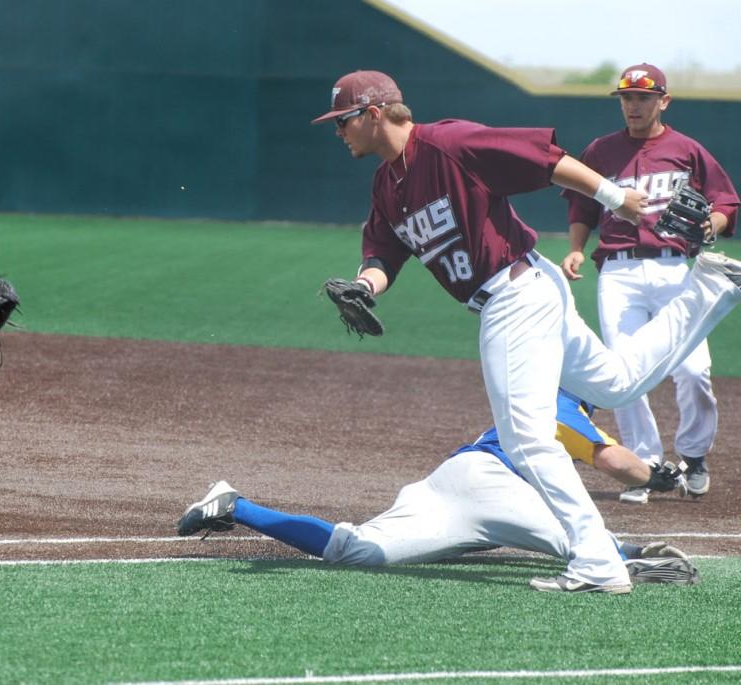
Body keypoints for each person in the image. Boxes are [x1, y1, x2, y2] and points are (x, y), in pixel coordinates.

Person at [309, 70, 741, 593]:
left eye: (344, 120)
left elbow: (545, 159)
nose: (339, 131)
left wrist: (613, 197)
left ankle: (597, 563)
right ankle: (714, 288)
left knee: (526, 439)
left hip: (514, 292)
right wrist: (365, 286)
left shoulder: (448, 143)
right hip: (529, 287)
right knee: (615, 383)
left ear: (374, 114)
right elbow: (384, 253)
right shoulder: (386, 185)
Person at [176, 389, 700, 589]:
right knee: (581, 546)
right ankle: (629, 558)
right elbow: (616, 463)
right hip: (490, 486)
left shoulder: (528, 396)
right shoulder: (561, 402)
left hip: (451, 481)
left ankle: (234, 504)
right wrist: (658, 476)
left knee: (353, 550)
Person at [561, 63, 739, 505]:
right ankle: (646, 466)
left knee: (694, 370)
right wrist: (577, 248)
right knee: (623, 370)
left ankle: (694, 456)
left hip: (675, 268)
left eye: (643, 97)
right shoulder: (601, 151)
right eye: (626, 98)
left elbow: (726, 201)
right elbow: (582, 206)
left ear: (664, 101)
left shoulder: (686, 150)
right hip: (618, 272)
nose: (633, 105)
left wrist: (711, 228)